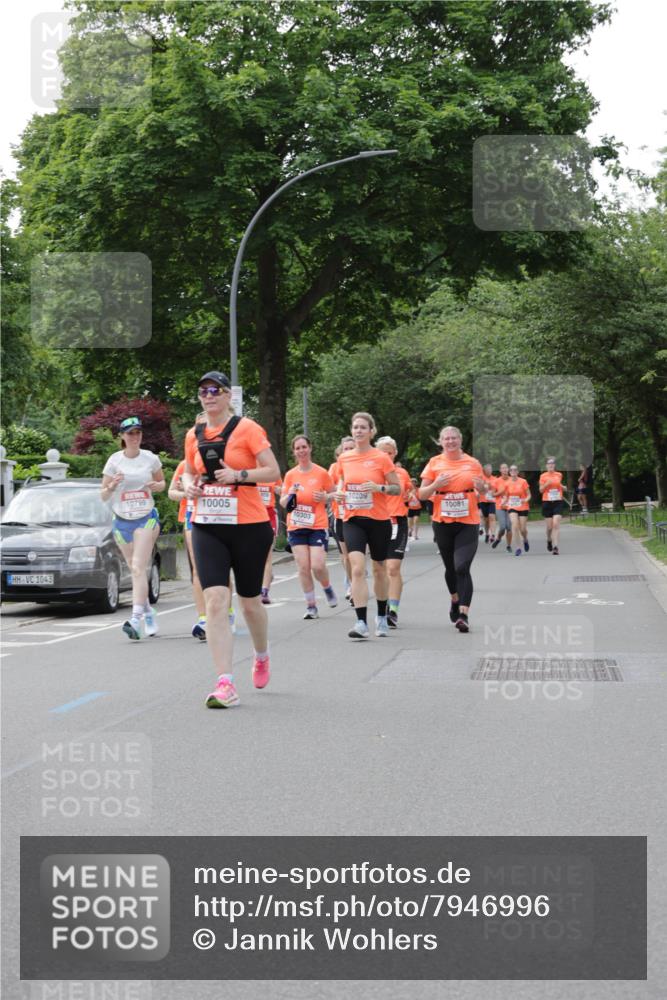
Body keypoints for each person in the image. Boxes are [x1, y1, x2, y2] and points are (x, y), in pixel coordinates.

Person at [181, 371, 280, 709]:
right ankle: (225, 683)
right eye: (202, 391)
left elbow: (273, 471)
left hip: (249, 525)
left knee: (249, 602)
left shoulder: (248, 429)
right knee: (216, 601)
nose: (208, 396)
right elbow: (190, 474)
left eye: (215, 390)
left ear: (227, 396)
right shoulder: (193, 435)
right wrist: (191, 486)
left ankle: (262, 654)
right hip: (208, 524)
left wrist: (239, 475)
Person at [335, 412, 400, 639]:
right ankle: (361, 621)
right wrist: (340, 494)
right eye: (355, 427)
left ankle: (381, 616)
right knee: (357, 568)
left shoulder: (381, 457)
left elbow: (396, 488)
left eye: (363, 427)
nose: (359, 431)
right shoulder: (344, 458)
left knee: (379, 569)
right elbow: (342, 484)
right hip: (353, 520)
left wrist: (379, 488)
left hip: (378, 520)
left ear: (371, 431)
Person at [101, 417, 165, 640]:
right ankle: (148, 613)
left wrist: (156, 486)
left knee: (138, 566)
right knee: (136, 570)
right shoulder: (114, 461)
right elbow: (103, 495)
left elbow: (162, 483)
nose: (135, 437)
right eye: (130, 433)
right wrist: (112, 485)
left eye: (138, 432)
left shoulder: (150, 459)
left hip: (145, 518)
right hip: (121, 521)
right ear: (122, 437)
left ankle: (135, 618)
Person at [419, 426, 486, 633]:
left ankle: (464, 615)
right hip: (443, 522)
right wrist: (436, 484)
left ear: (460, 439)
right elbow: (421, 494)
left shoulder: (472, 463)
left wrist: (482, 488)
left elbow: (482, 490)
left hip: (468, 521)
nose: (450, 441)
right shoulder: (434, 463)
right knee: (450, 568)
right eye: (446, 439)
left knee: (462, 567)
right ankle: (455, 600)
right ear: (441, 441)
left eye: (454, 438)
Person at [280, 435, 337, 619]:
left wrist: (326, 498)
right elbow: (283, 502)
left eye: (304, 447)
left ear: (310, 448)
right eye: (297, 448)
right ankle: (311, 605)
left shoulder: (321, 473)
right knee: (303, 567)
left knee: (318, 566)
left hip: (317, 525)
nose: (301, 451)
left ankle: (327, 587)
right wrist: (290, 495)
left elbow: (334, 494)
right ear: (294, 452)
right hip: (296, 526)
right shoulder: (290, 475)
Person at [168, 457, 208, 639]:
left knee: (221, 567)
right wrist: (185, 493)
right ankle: (204, 619)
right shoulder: (184, 465)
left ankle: (226, 611)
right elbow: (171, 492)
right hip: (191, 516)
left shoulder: (218, 458)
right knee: (198, 568)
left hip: (216, 517)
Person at [376, 436, 412, 627]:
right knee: (380, 568)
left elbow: (410, 494)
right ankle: (382, 605)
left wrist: (409, 496)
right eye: (383, 452)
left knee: (393, 567)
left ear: (395, 453)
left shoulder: (402, 473)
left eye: (389, 453)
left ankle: (393, 610)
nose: (386, 456)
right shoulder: (372, 473)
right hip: (377, 522)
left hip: (397, 522)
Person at [328, 437, 355, 601]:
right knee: (346, 556)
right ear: (340, 452)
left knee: (356, 554)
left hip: (360, 516)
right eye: (346, 449)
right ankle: (352, 584)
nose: (349, 451)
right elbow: (327, 490)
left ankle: (355, 579)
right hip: (340, 516)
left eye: (352, 448)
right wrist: (335, 495)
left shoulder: (362, 465)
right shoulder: (334, 468)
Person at [259, 477, 282, 604]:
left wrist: (280, 490)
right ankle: (267, 576)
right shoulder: (247, 470)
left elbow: (284, 492)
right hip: (252, 515)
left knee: (267, 555)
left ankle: (264, 591)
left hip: (269, 515)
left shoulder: (272, 473)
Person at [539, 457, 565, 555]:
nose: (551, 465)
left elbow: (559, 485)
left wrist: (563, 487)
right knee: (549, 527)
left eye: (552, 463)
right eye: (549, 463)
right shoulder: (543, 476)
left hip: (558, 501)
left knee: (556, 524)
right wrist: (546, 484)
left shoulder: (559, 475)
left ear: (554, 465)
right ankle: (549, 540)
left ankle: (555, 546)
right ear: (546, 465)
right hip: (547, 502)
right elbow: (541, 490)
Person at [506, 464, 531, 555]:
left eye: (515, 470)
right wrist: (504, 501)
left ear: (517, 472)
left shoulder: (523, 481)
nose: (513, 471)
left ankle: (525, 539)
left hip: (523, 506)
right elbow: (506, 495)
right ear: (509, 472)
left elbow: (529, 494)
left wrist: (526, 499)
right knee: (515, 525)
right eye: (511, 470)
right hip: (512, 506)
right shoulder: (507, 483)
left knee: (523, 529)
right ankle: (518, 547)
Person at [491, 462, 513, 553]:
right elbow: (493, 494)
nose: (504, 470)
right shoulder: (496, 481)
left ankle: (508, 545)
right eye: (502, 468)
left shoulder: (512, 480)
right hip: (499, 506)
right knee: (503, 527)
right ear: (500, 470)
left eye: (506, 468)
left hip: (510, 506)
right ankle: (498, 539)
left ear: (508, 470)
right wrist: (500, 492)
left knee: (509, 527)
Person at [479, 463, 498, 544]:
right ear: (484, 470)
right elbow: (478, 489)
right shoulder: (481, 478)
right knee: (485, 518)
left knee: (492, 517)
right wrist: (484, 486)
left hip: (492, 501)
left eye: (490, 469)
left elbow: (497, 489)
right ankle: (486, 534)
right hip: (482, 500)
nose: (489, 471)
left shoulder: (495, 479)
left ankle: (493, 535)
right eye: (488, 469)